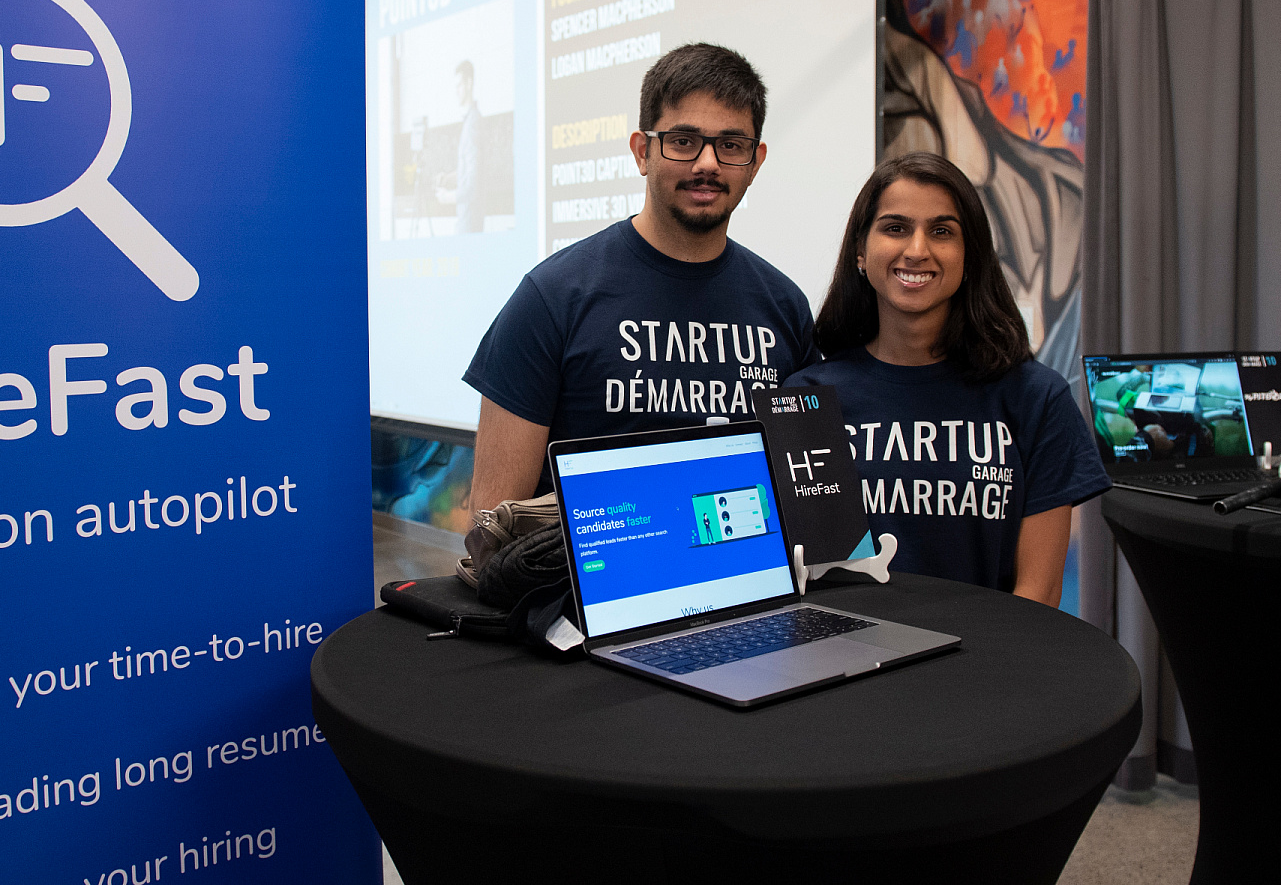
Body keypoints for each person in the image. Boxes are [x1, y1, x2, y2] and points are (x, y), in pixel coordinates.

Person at [462, 43, 820, 511]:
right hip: (586, 584)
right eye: (683, 141)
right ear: (642, 151)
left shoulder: (784, 307)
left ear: (755, 162)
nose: (708, 163)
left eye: (731, 145)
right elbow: (490, 525)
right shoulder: (551, 299)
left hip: (750, 582)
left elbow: (809, 501)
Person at [785, 152, 1108, 606]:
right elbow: (807, 583)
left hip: (986, 667)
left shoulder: (1036, 398)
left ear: (969, 255)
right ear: (861, 251)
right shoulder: (807, 400)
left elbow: (1038, 593)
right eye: (895, 227)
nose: (917, 250)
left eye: (942, 231)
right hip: (852, 664)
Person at [435, 61, 484, 235]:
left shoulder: (473, 124)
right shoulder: (469, 121)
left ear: (469, 84)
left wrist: (446, 197)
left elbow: (472, 183)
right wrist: (449, 177)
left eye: (459, 85)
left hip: (470, 221)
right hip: (465, 220)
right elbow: (468, 169)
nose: (456, 91)